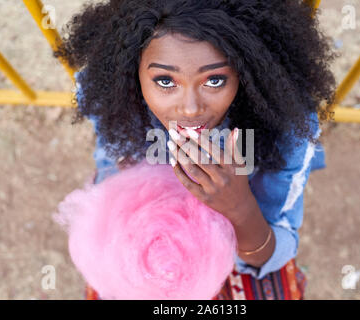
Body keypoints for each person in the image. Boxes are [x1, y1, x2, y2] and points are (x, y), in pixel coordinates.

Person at [54, 0, 337, 300]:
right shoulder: (115, 102)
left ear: (248, 70)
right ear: (131, 72)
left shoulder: (285, 126)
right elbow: (108, 164)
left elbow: (274, 253)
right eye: (165, 81)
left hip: (244, 246)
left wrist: (240, 208)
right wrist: (127, 177)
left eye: (215, 80)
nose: (190, 109)